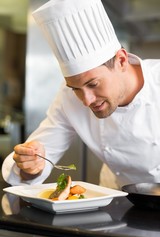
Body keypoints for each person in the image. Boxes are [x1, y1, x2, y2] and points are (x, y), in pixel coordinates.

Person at [2, 0, 160, 188]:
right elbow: (37, 158)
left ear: (122, 60)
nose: (86, 100)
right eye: (75, 88)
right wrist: (31, 164)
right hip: (118, 203)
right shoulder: (69, 97)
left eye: (93, 84)